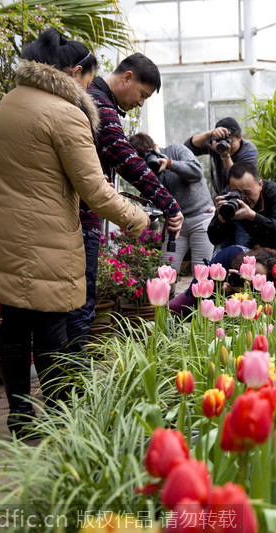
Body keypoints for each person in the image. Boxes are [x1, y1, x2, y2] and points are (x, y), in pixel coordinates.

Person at [0, 29, 150, 436]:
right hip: (44, 236)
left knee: (14, 328)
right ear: (74, 72)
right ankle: (58, 419)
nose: (89, 88)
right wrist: (137, 218)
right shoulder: (65, 113)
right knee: (52, 329)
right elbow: (94, 189)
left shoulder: (9, 102)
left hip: (2, 230)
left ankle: (20, 418)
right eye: (88, 80)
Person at [67, 53, 184, 356]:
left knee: (74, 301)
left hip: (79, 215)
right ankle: (73, 379)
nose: (141, 103)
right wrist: (169, 204)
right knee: (80, 302)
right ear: (127, 77)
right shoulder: (98, 104)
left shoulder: (94, 100)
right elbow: (125, 158)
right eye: (142, 94)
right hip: (80, 219)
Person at [128, 132, 214, 274]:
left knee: (201, 274)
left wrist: (170, 164)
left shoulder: (176, 150)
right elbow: (150, 200)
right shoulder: (146, 171)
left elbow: (197, 171)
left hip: (201, 217)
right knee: (166, 271)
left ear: (155, 146)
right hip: (174, 223)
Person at [208, 162, 276, 275]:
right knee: (245, 264)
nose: (244, 198)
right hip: (259, 233)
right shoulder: (228, 198)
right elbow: (214, 239)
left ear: (260, 184)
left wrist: (252, 216)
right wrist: (221, 219)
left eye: (247, 192)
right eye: (238, 193)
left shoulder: (272, 191)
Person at [167, 246, 276, 314]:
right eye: (250, 271)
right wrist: (221, 290)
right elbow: (197, 286)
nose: (249, 277)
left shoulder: (264, 292)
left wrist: (246, 295)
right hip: (204, 296)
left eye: (257, 277)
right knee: (169, 310)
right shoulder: (231, 254)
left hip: (231, 314)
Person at [184, 117, 258, 195]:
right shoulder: (216, 144)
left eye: (229, 141)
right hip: (220, 192)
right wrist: (209, 134)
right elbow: (187, 148)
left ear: (239, 137)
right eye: (222, 141)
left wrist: (225, 156)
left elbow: (240, 179)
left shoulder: (249, 151)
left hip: (242, 194)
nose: (226, 145)